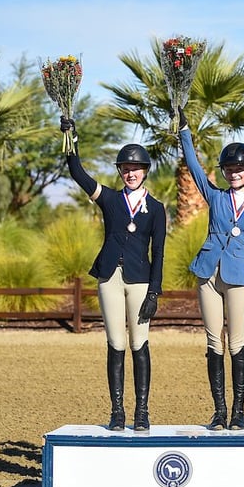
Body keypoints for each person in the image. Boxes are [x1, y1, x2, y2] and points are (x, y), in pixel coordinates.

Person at [61, 118, 166, 432]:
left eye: (135, 168)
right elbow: (77, 174)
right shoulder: (108, 198)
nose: (130, 173)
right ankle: (117, 411)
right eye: (125, 168)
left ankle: (142, 412)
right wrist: (71, 141)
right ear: (120, 172)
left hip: (140, 280)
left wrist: (154, 293)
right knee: (116, 342)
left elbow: (159, 251)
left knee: (140, 344)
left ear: (145, 171)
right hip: (109, 276)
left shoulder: (157, 208)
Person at [177, 109, 244, 431]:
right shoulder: (214, 196)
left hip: (238, 278)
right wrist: (185, 131)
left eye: (240, 168)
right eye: (230, 169)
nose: (234, 173)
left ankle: (239, 411)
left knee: (237, 343)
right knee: (213, 342)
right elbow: (193, 167)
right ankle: (219, 411)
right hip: (208, 274)